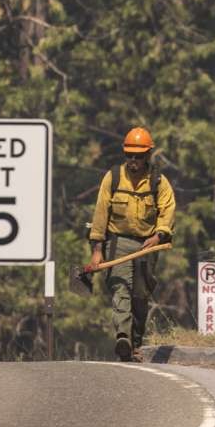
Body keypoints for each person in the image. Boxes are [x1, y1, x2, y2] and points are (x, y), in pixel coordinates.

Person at [86, 127, 176, 362]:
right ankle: (123, 336)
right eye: (129, 155)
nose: (133, 161)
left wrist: (159, 235)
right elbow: (100, 214)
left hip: (148, 244)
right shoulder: (113, 177)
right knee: (120, 288)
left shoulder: (158, 182)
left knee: (140, 296)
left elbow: (167, 211)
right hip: (119, 242)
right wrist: (97, 250)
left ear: (148, 155)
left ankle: (135, 344)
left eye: (138, 156)